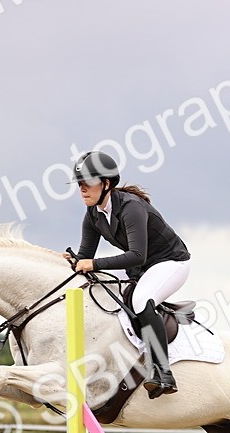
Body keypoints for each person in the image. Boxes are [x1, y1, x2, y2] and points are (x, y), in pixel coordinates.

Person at [64, 150, 190, 398]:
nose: (82, 189)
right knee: (92, 284)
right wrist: (73, 260)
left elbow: (137, 255)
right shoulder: (93, 214)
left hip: (170, 262)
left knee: (141, 299)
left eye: (87, 183)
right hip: (140, 267)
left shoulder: (131, 207)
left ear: (107, 183)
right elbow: (85, 256)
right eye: (79, 184)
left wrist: (93, 263)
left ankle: (162, 372)